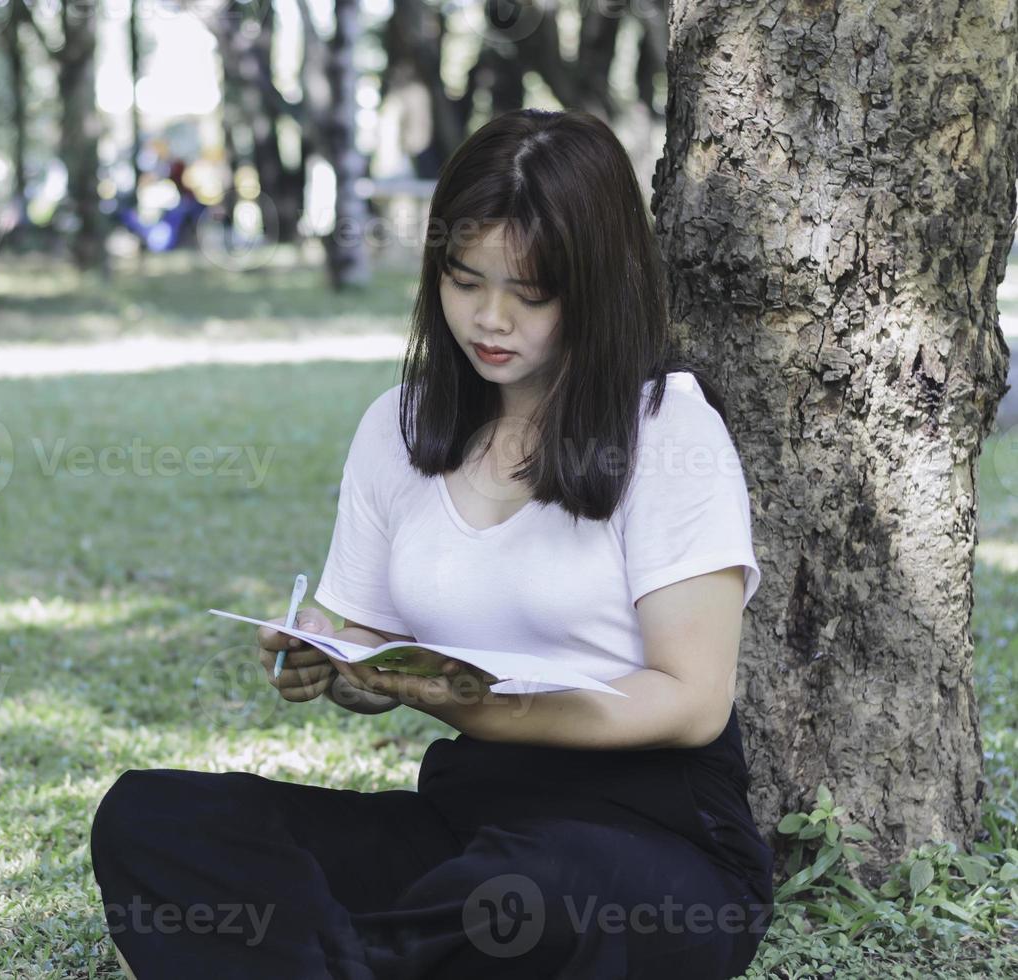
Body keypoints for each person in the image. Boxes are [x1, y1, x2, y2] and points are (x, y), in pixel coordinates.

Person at [89, 108, 775, 979]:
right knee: (153, 817)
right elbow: (370, 641)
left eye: (531, 294)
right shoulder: (401, 426)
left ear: (599, 283)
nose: (490, 319)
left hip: (654, 844)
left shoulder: (667, 428)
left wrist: (485, 711)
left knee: (531, 895)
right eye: (464, 280)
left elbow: (692, 703)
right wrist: (332, 664)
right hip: (469, 821)